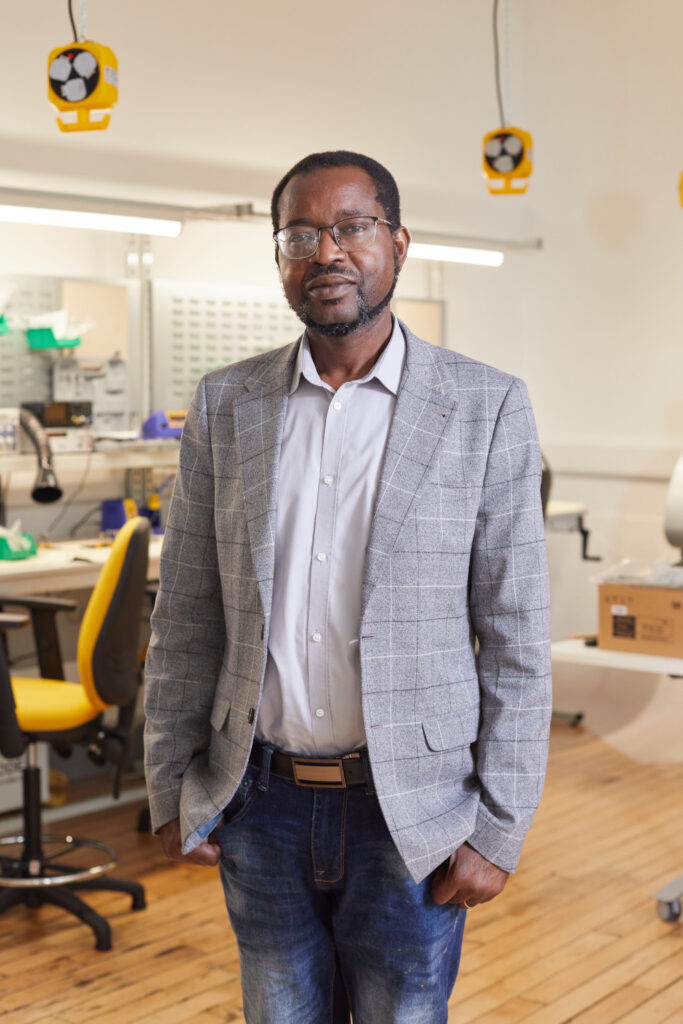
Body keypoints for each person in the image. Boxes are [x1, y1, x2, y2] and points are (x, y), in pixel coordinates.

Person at [144, 150, 552, 1024]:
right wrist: (172, 783)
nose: (324, 251)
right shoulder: (226, 404)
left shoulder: (486, 407)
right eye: (300, 234)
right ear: (281, 256)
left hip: (414, 810)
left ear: (398, 245)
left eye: (351, 228)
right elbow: (185, 615)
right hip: (259, 801)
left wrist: (498, 827)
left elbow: (516, 637)